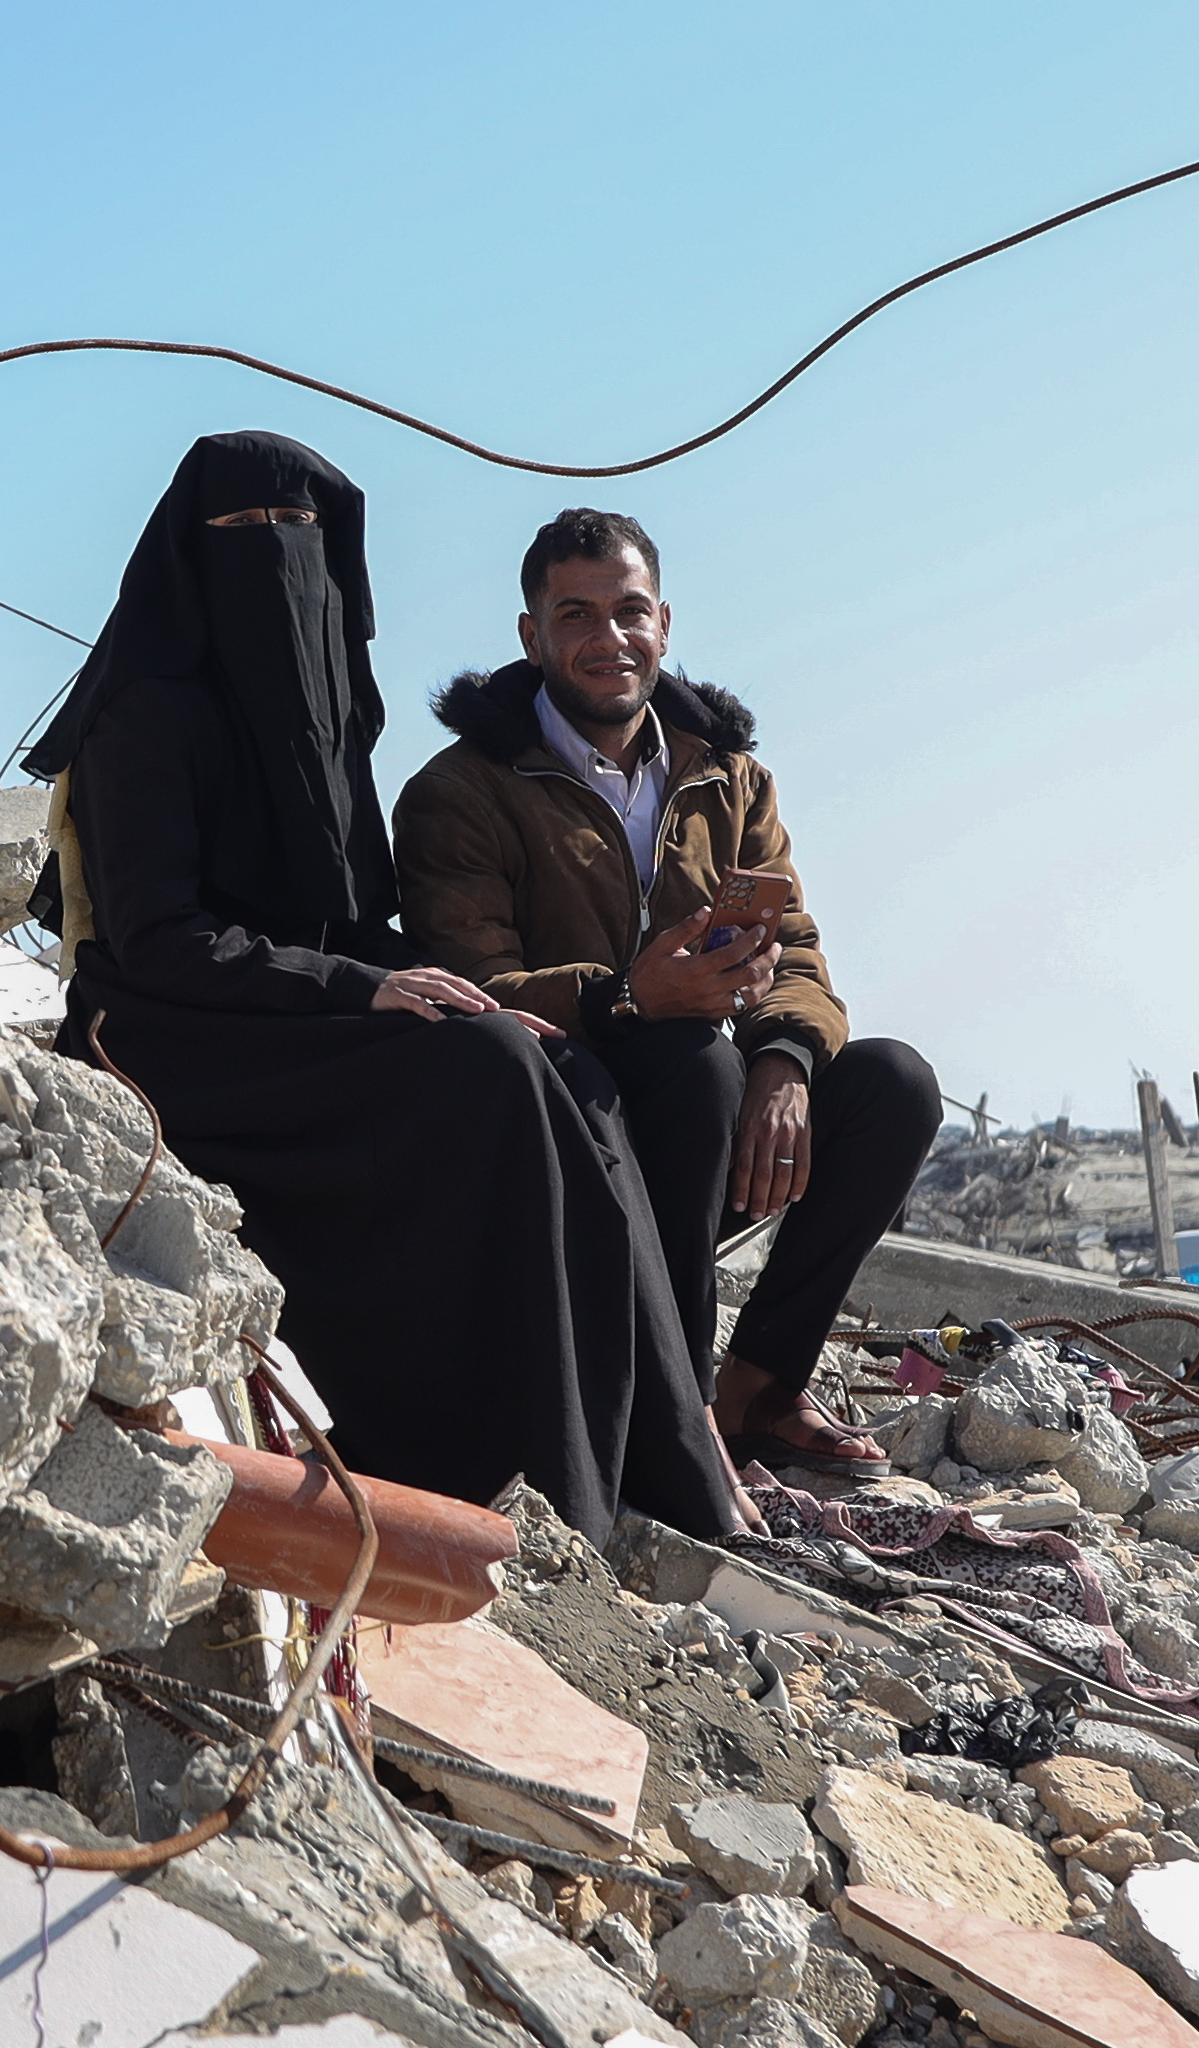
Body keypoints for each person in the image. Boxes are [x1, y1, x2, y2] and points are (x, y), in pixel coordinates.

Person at [23, 432, 744, 1541]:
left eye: (302, 541)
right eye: (249, 539)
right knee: (496, 1071)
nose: (281, 569)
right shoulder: (147, 715)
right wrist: (360, 992)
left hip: (305, 1010)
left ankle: (670, 1464)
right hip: (178, 1030)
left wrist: (417, 985)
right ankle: (531, 1475)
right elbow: (162, 940)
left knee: (562, 1068)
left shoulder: (326, 714)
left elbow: (353, 917)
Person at [390, 506, 946, 1484]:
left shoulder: (727, 778)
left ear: (665, 622)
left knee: (892, 1083)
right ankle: (673, 1416)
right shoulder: (462, 791)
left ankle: (757, 1390)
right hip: (565, 1140)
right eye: (577, 615)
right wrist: (625, 997)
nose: (609, 639)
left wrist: (785, 1062)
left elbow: (798, 951)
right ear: (532, 635)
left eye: (629, 611)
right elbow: (471, 987)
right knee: (693, 1062)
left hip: (708, 1123)